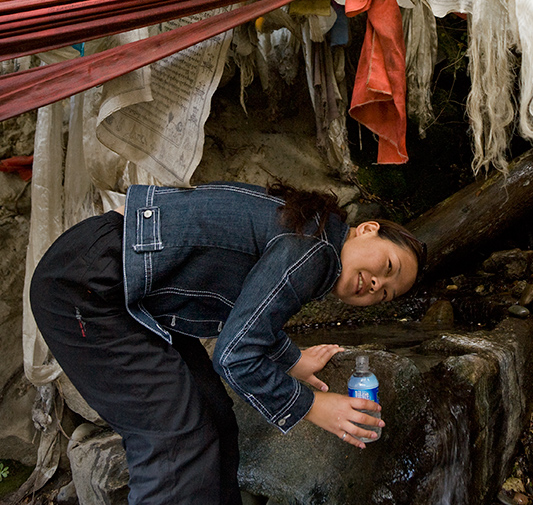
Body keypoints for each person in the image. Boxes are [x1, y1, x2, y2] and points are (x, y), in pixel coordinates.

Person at [30, 179, 425, 505]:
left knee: (214, 416)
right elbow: (234, 354)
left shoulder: (315, 235)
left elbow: (251, 307)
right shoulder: (314, 252)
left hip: (110, 284)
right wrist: (311, 405)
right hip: (86, 290)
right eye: (387, 267)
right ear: (368, 229)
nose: (376, 284)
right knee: (175, 435)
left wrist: (289, 358)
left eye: (385, 294)